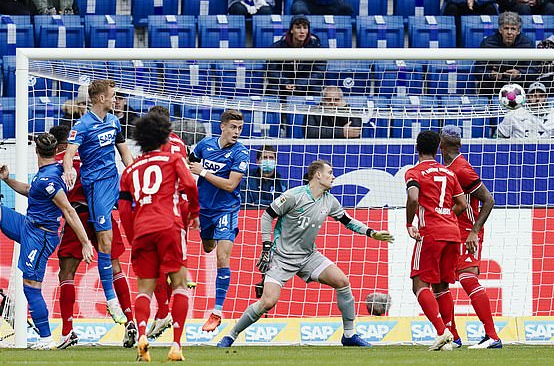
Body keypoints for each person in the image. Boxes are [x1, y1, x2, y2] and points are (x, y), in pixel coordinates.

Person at [217, 160, 394, 348]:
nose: (333, 176)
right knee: (268, 302)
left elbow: (347, 220)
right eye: (330, 172)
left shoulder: (329, 200)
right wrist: (267, 246)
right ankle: (230, 335)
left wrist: (371, 232)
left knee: (342, 281)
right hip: (282, 258)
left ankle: (349, 335)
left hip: (309, 256)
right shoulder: (294, 196)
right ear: (318, 175)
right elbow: (267, 215)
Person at [0, 133, 92, 350]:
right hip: (29, 225)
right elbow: (31, 191)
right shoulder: (51, 172)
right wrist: (8, 179)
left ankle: (46, 339)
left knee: (31, 286)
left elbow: (68, 209)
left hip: (41, 236)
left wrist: (85, 242)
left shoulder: (49, 180)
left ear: (35, 151)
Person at [119, 111, 200, 362]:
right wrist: (194, 214)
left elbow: (123, 209)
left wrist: (133, 237)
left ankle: (142, 335)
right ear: (165, 135)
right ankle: (176, 344)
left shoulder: (130, 169)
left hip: (142, 230)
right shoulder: (173, 159)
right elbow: (190, 186)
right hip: (169, 226)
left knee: (144, 289)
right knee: (179, 284)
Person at [49, 125, 137, 350]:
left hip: (76, 215)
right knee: (115, 266)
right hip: (103, 213)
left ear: (59, 145)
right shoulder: (91, 153)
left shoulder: (57, 162)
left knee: (66, 272)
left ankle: (67, 331)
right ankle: (130, 321)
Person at [62, 79, 134, 325]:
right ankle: (112, 300)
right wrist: (69, 169)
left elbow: (124, 152)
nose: (116, 99)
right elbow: (70, 154)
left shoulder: (114, 122)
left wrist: (135, 176)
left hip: (116, 183)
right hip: (97, 188)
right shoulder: (82, 125)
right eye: (113, 95)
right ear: (101, 98)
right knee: (105, 242)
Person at [439, 125, 502, 349]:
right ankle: (453, 337)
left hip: (467, 232)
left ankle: (493, 336)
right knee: (440, 282)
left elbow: (489, 199)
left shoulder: (462, 169)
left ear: (441, 145)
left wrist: (474, 231)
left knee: (467, 278)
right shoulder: (448, 167)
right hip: (451, 231)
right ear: (460, 144)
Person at [405, 130, 468, 351]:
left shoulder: (415, 172)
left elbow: (413, 197)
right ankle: (451, 337)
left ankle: (442, 333)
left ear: (416, 148)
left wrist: (409, 223)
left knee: (419, 283)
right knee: (442, 286)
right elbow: (462, 204)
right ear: (437, 148)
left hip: (431, 233)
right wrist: (446, 215)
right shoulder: (449, 173)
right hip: (452, 232)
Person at [188, 109, 249, 332]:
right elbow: (190, 162)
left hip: (227, 209)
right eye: (233, 127)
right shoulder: (205, 145)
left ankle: (217, 311)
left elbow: (230, 185)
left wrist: (202, 172)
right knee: (208, 247)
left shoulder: (240, 153)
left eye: (240, 128)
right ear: (222, 126)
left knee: (222, 258)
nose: (236, 132)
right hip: (204, 210)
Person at [142, 105, 194, 340]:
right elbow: (188, 179)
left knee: (155, 263)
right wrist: (195, 210)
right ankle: (166, 314)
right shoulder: (180, 144)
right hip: (181, 205)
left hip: (159, 207)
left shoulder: (153, 145)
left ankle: (163, 311)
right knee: (175, 263)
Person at [475, 12, 534, 96]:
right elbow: (478, 70)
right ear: (500, 30)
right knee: (485, 85)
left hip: (519, 85)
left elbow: (534, 70)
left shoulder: (527, 44)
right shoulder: (487, 44)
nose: (509, 32)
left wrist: (519, 73)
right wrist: (491, 74)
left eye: (513, 29)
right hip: (494, 85)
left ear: (518, 31)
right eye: (506, 28)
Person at [267, 15, 326, 98]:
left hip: (306, 85)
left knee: (316, 88)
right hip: (284, 86)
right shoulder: (278, 47)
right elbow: (272, 70)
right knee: (273, 87)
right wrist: (285, 83)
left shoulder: (316, 47)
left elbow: (319, 72)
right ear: (291, 30)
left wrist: (299, 84)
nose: (302, 31)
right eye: (298, 28)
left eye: (305, 28)